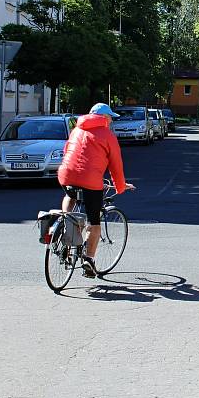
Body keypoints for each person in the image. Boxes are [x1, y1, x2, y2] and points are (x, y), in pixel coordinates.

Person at [57, 103, 135, 278]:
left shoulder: (76, 130)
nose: (111, 122)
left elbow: (67, 151)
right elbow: (116, 165)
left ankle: (66, 221)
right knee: (94, 221)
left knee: (70, 195)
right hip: (90, 180)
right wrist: (121, 186)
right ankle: (89, 260)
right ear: (104, 118)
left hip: (66, 175)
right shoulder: (107, 135)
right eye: (110, 118)